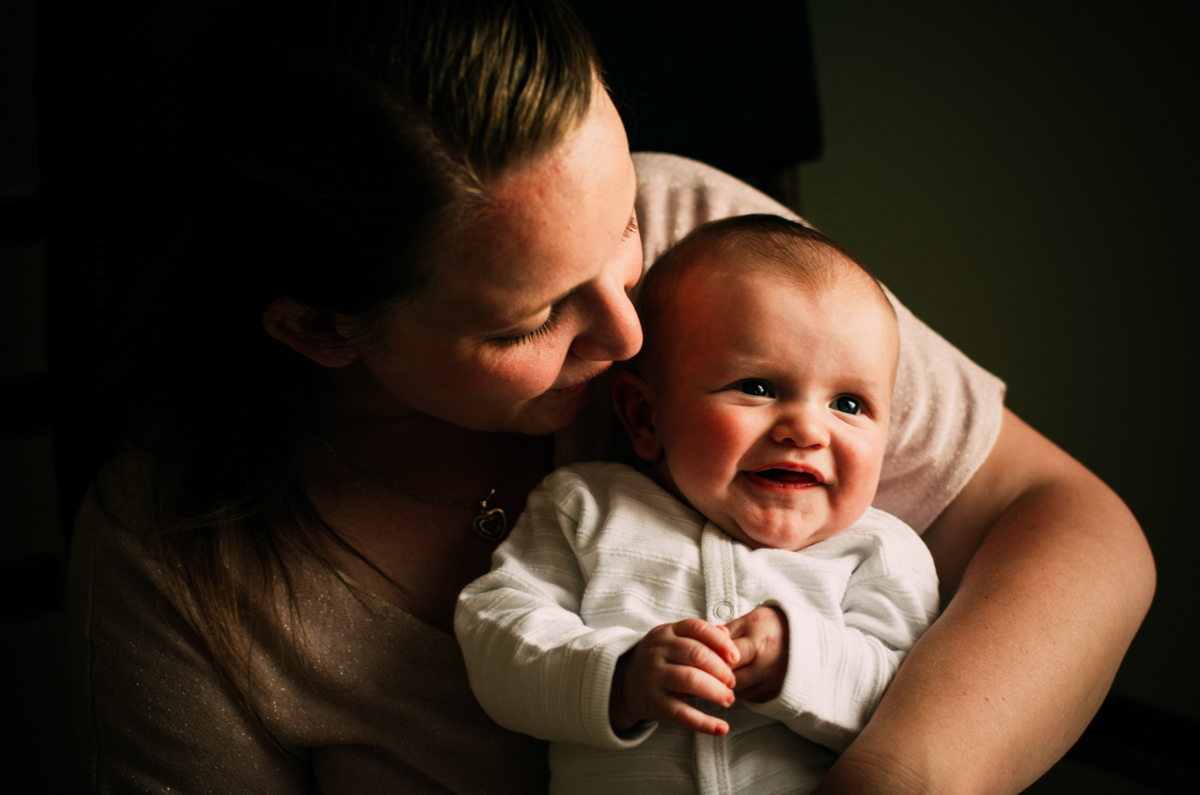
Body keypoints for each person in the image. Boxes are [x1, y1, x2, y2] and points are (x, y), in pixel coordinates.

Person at [68, 1, 1154, 793]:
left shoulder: (700, 250)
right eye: (529, 322)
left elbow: (1076, 534)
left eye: (619, 226)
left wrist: (900, 776)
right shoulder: (177, 558)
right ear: (322, 329)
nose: (635, 334)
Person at [456, 214, 942, 794]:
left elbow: (916, 707)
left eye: (849, 403)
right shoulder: (586, 509)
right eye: (757, 387)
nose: (807, 429)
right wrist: (618, 676)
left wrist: (802, 659)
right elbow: (498, 634)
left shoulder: (880, 552)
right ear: (644, 416)